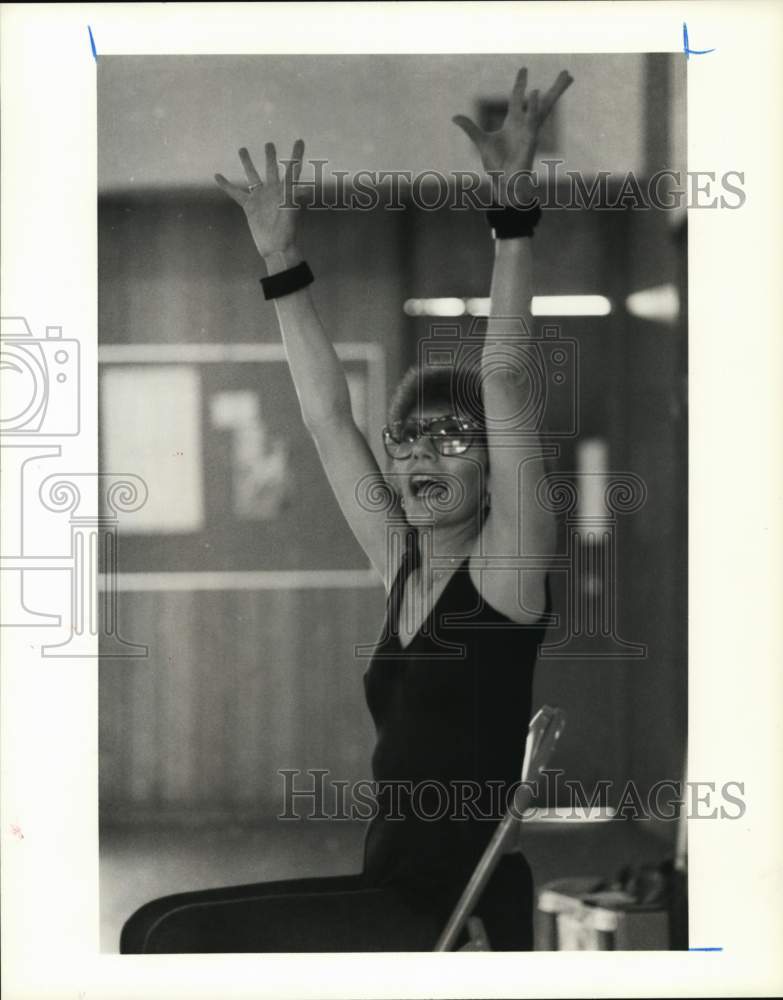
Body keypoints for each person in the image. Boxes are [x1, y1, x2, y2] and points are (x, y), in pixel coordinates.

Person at [120, 66, 573, 954]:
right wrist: (279, 260)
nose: (418, 456)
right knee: (148, 922)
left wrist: (511, 216)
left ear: (493, 466)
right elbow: (329, 417)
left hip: (447, 906)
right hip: (387, 883)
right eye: (406, 440)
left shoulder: (511, 567)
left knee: (180, 945)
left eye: (452, 439)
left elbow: (504, 379)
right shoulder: (397, 558)